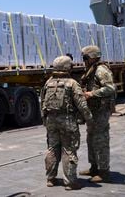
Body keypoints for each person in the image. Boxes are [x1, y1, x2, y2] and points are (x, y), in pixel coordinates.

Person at [41, 55, 93, 190]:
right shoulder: (72, 83)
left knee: (52, 148)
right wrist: (89, 119)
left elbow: (42, 102)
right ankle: (70, 182)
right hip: (67, 121)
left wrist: (45, 121)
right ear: (67, 67)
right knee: (69, 149)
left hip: (51, 120)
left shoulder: (48, 82)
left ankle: (50, 179)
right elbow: (81, 104)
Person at [79, 45, 116, 183]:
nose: (84, 60)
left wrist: (92, 93)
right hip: (93, 111)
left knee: (101, 140)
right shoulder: (91, 69)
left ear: (92, 57)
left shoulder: (101, 70)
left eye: (85, 58)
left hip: (101, 111)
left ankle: (104, 171)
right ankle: (94, 167)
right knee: (91, 139)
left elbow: (110, 88)